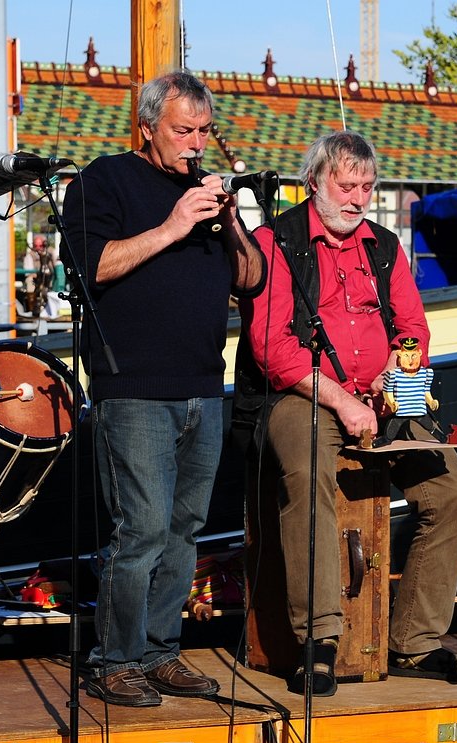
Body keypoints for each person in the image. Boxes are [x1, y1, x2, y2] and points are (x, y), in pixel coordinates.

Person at [238, 130, 457, 697]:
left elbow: (414, 327)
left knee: (455, 491)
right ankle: (319, 638)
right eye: (346, 186)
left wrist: (395, 371)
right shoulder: (274, 242)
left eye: (367, 187)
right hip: (301, 395)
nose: (358, 198)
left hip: (379, 397)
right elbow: (273, 350)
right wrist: (343, 399)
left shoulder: (383, 244)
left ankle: (416, 642)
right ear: (314, 183)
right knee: (307, 474)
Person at [61, 71, 264, 707]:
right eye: (183, 131)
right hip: (135, 386)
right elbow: (91, 265)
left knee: (185, 529)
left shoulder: (207, 193)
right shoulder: (104, 180)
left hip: (203, 383)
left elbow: (252, 280)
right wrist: (176, 224)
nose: (196, 143)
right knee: (141, 529)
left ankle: (160, 651)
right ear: (148, 127)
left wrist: (230, 220)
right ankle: (114, 658)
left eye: (205, 131)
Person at [22, 234, 57, 317]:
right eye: (36, 245)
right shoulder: (30, 255)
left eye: (41, 245)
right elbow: (28, 271)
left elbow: (57, 264)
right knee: (29, 284)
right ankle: (32, 308)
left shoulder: (51, 252)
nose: (38, 247)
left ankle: (52, 308)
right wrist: (37, 275)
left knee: (56, 283)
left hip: (49, 277)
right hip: (36, 278)